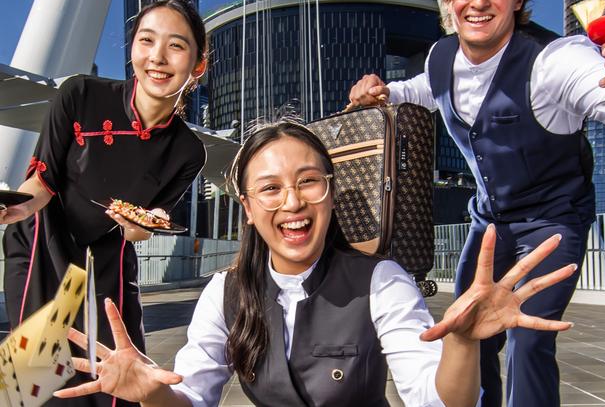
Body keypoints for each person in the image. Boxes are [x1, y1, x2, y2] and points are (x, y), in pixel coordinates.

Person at [53, 121, 577, 407]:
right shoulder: (224, 292)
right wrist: (152, 395)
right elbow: (189, 395)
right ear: (249, 209)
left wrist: (462, 343)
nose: (293, 202)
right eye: (271, 189)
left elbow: (439, 402)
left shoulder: (381, 281)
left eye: (308, 181)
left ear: (330, 193)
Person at [348, 0, 605, 407]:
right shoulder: (443, 54)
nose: (479, 1)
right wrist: (384, 91)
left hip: (552, 224)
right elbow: (427, 88)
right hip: (489, 224)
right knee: (468, 334)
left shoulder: (555, 62)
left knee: (529, 341)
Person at [0, 0, 208, 406]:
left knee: (118, 372)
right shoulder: (79, 94)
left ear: (198, 64)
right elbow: (41, 182)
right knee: (34, 380)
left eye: (177, 46)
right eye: (147, 40)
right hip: (44, 239)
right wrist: (17, 207)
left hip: (109, 252)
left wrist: (139, 227)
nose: (158, 57)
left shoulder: (189, 151)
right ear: (132, 49)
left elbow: (149, 222)